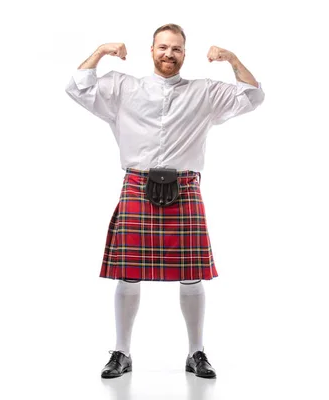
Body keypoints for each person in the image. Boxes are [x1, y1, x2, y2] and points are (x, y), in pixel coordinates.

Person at [64, 23, 264, 379]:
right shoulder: (123, 87)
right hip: (137, 186)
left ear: (184, 54)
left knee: (192, 277)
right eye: (163, 47)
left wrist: (231, 58)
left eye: (176, 49)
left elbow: (252, 96)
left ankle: (196, 353)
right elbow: (78, 87)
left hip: (184, 188)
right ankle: (121, 353)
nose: (169, 54)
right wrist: (100, 51)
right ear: (152, 50)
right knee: (127, 275)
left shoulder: (204, 92)